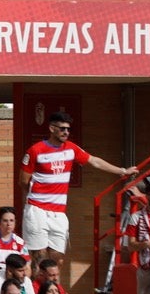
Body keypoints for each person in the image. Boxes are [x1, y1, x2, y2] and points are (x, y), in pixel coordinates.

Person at [19, 110, 134, 270]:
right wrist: (33, 200)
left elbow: (95, 161)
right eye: (62, 129)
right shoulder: (36, 150)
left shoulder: (71, 149)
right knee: (39, 259)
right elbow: (23, 180)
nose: (66, 132)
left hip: (59, 213)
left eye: (68, 129)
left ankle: (54, 292)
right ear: (52, 129)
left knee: (57, 261)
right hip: (37, 209)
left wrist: (122, 171)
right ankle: (38, 293)